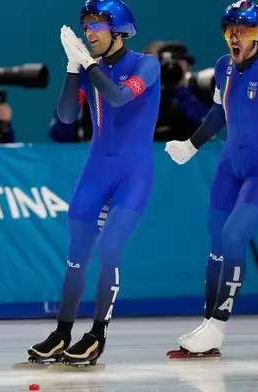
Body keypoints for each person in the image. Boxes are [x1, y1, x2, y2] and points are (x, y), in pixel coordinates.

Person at [164, 1, 258, 358]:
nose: (234, 38)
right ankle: (206, 324)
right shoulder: (222, 67)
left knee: (235, 235)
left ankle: (218, 324)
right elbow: (219, 112)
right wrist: (192, 145)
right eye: (229, 31)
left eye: (243, 31)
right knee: (217, 238)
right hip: (230, 165)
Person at [26, 0, 160, 367]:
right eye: (86, 27)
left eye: (97, 27)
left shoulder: (147, 65)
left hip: (134, 172)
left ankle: (98, 334)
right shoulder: (89, 69)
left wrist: (87, 64)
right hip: (96, 169)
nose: (89, 34)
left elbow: (118, 97)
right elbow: (67, 117)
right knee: (76, 255)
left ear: (119, 31)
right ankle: (62, 331)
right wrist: (73, 69)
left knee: (110, 248)